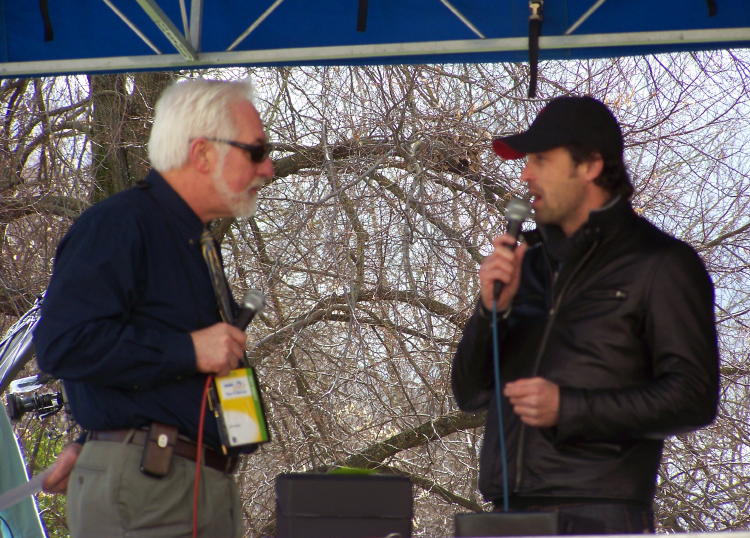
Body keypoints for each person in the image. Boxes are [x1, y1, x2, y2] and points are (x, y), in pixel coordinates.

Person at [451, 95, 719, 534]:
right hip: (505, 513)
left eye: (540, 158)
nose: (525, 174)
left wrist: (570, 408)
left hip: (599, 514)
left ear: (590, 166)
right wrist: (490, 312)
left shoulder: (661, 264)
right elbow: (471, 393)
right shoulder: (528, 264)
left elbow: (693, 397)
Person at [34, 78, 274, 537]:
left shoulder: (196, 241)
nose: (269, 169)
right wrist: (187, 351)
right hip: (151, 492)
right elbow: (64, 344)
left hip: (193, 484)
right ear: (203, 153)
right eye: (257, 151)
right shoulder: (119, 224)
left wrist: (94, 439)